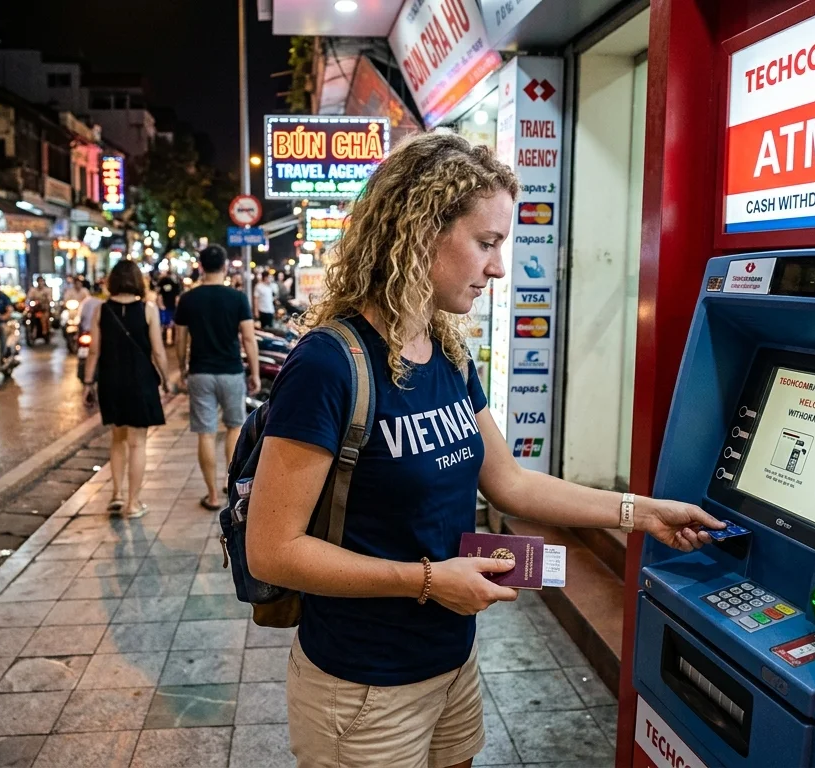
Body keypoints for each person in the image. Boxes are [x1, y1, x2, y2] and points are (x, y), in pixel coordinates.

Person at [242, 133, 723, 768]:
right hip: (361, 689)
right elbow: (273, 551)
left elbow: (511, 484)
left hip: (452, 664)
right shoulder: (330, 364)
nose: (499, 267)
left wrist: (642, 513)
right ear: (418, 232)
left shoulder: (447, 350)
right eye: (487, 243)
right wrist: (427, 580)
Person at [82, 261, 175, 515]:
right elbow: (158, 350)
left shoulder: (102, 310)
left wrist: (88, 383)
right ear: (137, 281)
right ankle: (133, 503)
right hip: (140, 382)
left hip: (111, 382)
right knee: (137, 443)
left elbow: (93, 352)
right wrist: (167, 380)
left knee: (117, 438)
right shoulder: (148, 310)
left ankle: (117, 494)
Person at [174, 244, 259, 511]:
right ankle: (230, 485)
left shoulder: (188, 299)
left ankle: (212, 495)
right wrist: (254, 371)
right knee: (235, 428)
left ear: (200, 266)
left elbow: (179, 339)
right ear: (224, 266)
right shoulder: (237, 298)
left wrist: (182, 367)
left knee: (206, 433)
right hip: (231, 371)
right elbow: (248, 337)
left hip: (200, 372)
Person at [155, 270, 181, 345]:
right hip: (171, 306)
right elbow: (177, 297)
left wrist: (161, 305)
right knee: (171, 324)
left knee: (164, 324)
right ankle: (171, 340)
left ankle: (165, 339)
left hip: (165, 306)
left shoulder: (162, 282)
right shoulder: (175, 283)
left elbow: (159, 295)